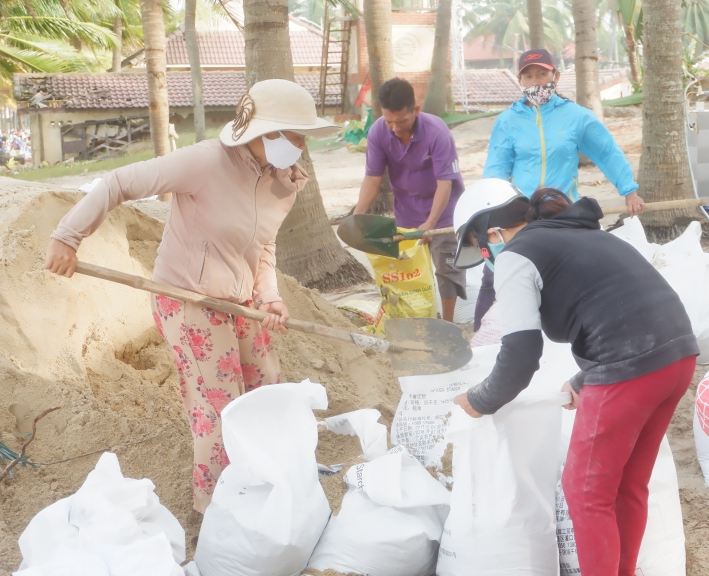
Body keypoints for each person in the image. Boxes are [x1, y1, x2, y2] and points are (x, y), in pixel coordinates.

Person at [43, 79, 339, 513]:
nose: (300, 146)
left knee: (267, 391)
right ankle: (218, 510)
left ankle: (270, 485)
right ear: (265, 132)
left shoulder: (283, 182)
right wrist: (67, 237)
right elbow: (118, 182)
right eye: (294, 136)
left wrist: (269, 296)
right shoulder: (205, 162)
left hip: (239, 305)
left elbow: (264, 246)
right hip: (186, 301)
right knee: (221, 408)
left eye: (302, 137)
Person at [450, 179, 699, 576]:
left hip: (628, 366)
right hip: (677, 355)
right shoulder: (577, 233)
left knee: (585, 494)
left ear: (492, 233)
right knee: (626, 485)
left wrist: (480, 399)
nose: (489, 257)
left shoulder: (517, 254)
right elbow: (618, 305)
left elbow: (520, 355)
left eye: (484, 249)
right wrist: (585, 379)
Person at [473, 48, 644, 330]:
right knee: (497, 274)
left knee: (564, 276)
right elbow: (496, 170)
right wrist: (487, 214)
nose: (536, 81)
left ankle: (571, 333)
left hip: (562, 212)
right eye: (528, 76)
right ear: (521, 81)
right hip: (520, 215)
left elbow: (606, 153)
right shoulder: (508, 122)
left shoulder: (576, 117)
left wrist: (629, 190)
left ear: (556, 76)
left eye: (542, 73)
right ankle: (480, 336)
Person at [354, 77, 466, 322]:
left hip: (444, 209)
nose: (395, 128)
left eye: (402, 121)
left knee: (446, 268)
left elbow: (444, 183)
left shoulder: (437, 133)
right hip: (406, 210)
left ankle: (447, 323)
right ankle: (413, 320)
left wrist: (430, 224)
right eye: (389, 121)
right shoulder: (377, 133)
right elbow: (372, 179)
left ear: (416, 110)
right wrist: (357, 217)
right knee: (405, 271)